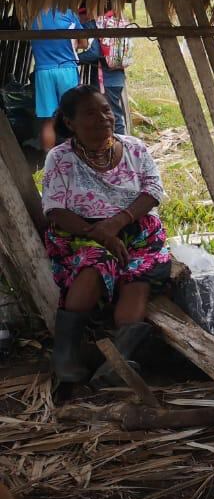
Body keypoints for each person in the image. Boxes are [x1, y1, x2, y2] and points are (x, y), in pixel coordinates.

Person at [42, 86, 172, 386]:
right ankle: (66, 354)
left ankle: (119, 361)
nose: (103, 118)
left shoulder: (135, 148)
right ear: (70, 122)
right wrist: (99, 234)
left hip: (136, 231)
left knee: (137, 276)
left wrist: (117, 224)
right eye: (90, 113)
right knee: (95, 264)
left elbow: (153, 190)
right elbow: (54, 208)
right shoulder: (60, 158)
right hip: (80, 233)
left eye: (105, 110)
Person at [31, 8, 83, 151]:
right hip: (66, 69)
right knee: (71, 115)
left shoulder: (33, 16)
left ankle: (48, 159)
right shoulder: (69, 14)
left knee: (49, 120)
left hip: (43, 71)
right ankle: (71, 156)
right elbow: (83, 42)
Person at [77, 4, 130, 135]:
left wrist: (73, 59)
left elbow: (93, 54)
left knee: (111, 116)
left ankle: (119, 143)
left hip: (105, 80)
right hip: (117, 78)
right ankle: (118, 142)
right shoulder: (114, 22)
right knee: (114, 114)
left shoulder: (94, 25)